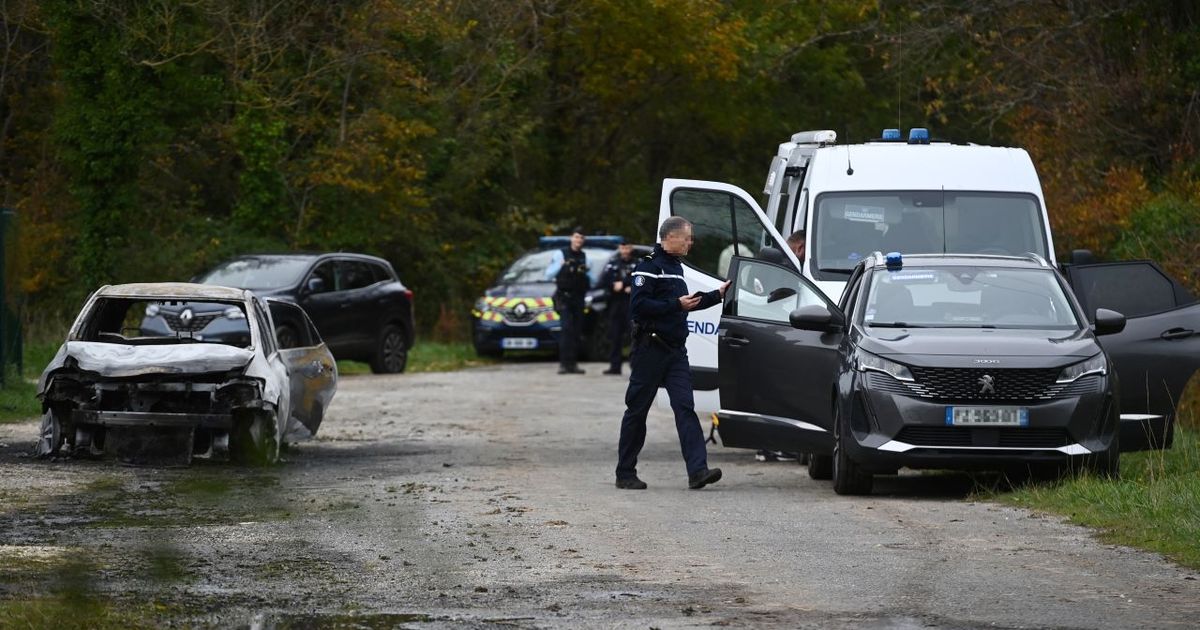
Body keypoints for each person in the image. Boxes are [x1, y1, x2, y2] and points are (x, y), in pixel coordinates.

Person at [615, 217, 730, 490]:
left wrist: (717, 294)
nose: (691, 242)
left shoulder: (676, 267)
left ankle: (697, 471)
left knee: (685, 407)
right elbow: (639, 307)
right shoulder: (649, 266)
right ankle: (625, 472)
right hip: (650, 349)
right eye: (687, 237)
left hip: (676, 352)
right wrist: (674, 304)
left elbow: (685, 305)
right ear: (671, 237)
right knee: (637, 411)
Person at [756, 228, 807, 464]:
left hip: (765, 333)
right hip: (776, 334)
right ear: (800, 247)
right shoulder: (786, 265)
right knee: (775, 392)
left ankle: (768, 446)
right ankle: (771, 447)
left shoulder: (773, 260)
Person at [544, 227, 590, 374]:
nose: (579, 240)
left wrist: (588, 273)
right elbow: (548, 275)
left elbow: (590, 278)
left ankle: (573, 364)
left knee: (576, 331)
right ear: (571, 238)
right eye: (576, 237)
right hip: (564, 297)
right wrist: (560, 264)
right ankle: (564, 364)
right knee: (566, 330)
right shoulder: (560, 254)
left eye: (581, 238)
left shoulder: (583, 256)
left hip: (578, 297)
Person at [600, 241, 638, 375]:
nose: (625, 250)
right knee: (615, 336)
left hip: (631, 305)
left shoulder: (637, 264)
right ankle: (615, 367)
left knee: (635, 336)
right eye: (623, 248)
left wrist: (627, 285)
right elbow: (604, 280)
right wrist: (614, 285)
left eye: (627, 247)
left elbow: (641, 281)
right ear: (619, 249)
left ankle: (635, 366)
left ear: (631, 248)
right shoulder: (613, 263)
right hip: (615, 304)